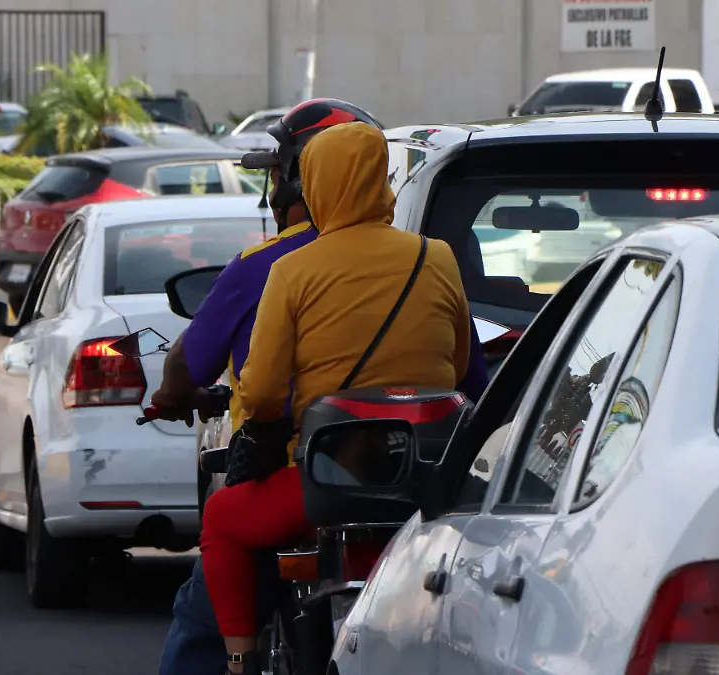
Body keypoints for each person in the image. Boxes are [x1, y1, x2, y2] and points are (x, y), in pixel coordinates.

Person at [199, 121, 490, 674]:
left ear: (313, 185)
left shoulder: (291, 270)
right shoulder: (438, 258)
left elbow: (260, 393)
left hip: (326, 482)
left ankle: (239, 660)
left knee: (222, 519)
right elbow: (463, 374)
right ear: (383, 181)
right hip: (423, 482)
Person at [151, 99, 386, 675]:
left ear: (304, 177)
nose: (272, 189)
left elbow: (209, 370)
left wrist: (173, 396)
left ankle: (233, 660)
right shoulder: (426, 258)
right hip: (403, 481)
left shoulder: (271, 265)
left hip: (298, 478)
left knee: (201, 620)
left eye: (277, 173)